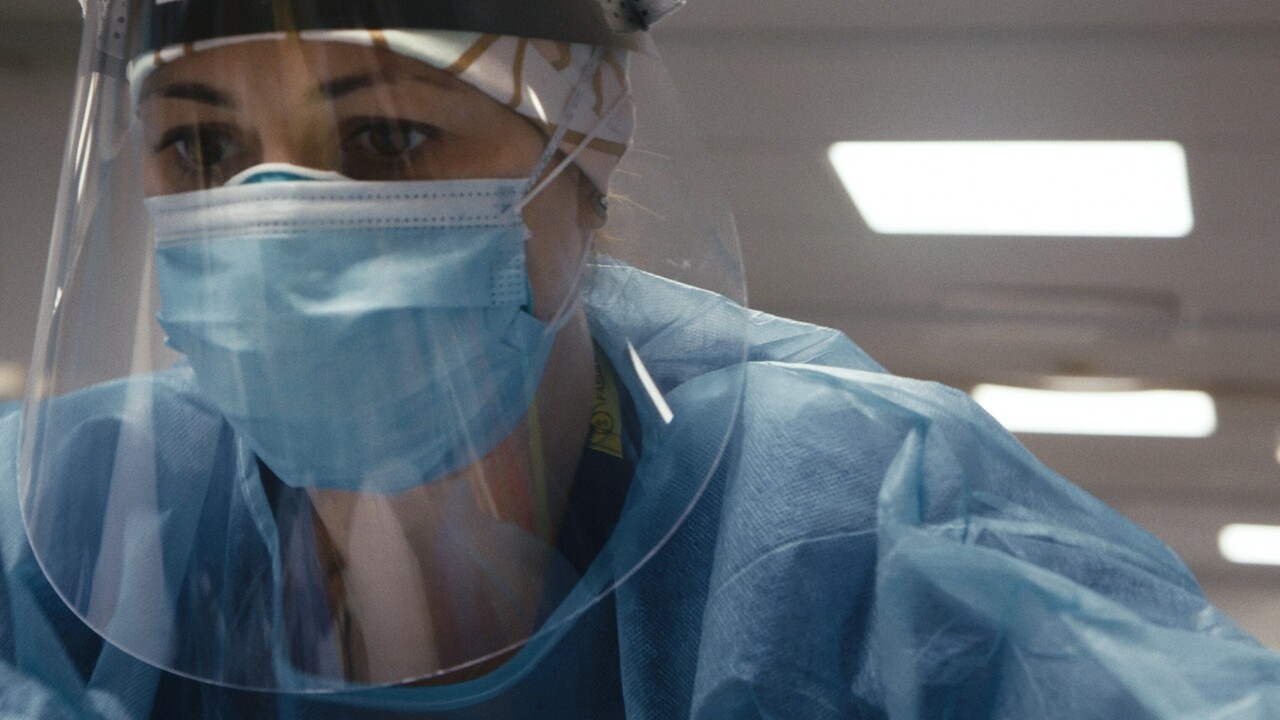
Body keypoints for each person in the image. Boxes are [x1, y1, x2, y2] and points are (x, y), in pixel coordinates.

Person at [3, 0, 1280, 717]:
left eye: (386, 140)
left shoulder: (851, 514)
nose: (275, 229)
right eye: (201, 152)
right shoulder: (69, 509)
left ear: (584, 143)